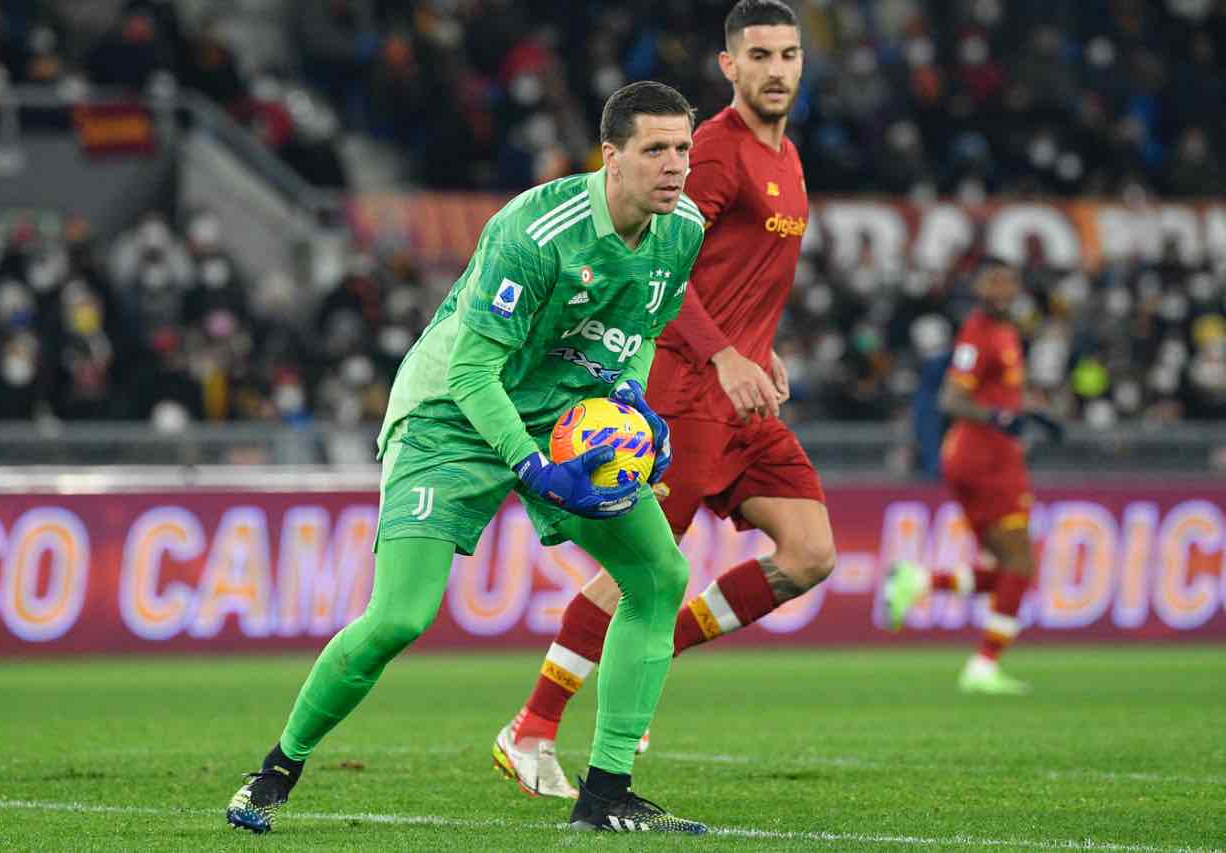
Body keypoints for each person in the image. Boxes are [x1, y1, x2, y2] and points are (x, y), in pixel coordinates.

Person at [224, 81, 709, 835]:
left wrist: (632, 407)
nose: (674, 165)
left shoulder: (683, 230)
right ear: (611, 157)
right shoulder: (536, 231)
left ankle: (606, 795)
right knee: (399, 617)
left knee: (660, 575)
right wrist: (532, 467)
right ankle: (277, 768)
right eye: (655, 149)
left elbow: (640, 332)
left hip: (561, 412)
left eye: (683, 147)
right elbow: (472, 372)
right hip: (450, 416)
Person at [493, 0, 836, 799]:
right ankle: (531, 726)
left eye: (788, 55)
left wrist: (758, 344)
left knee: (810, 553)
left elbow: (735, 273)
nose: (776, 70)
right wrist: (722, 351)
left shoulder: (787, 156)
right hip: (684, 388)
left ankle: (655, 650)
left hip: (744, 394)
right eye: (760, 56)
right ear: (729, 65)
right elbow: (662, 270)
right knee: (638, 569)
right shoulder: (710, 151)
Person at [881, 259, 1056, 695]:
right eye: (992, 282)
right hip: (984, 460)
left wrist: (1031, 413)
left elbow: (1001, 393)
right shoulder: (977, 334)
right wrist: (1000, 418)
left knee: (1010, 569)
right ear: (978, 288)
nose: (1001, 290)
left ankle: (919, 582)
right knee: (1020, 564)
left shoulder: (1007, 331)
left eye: (1007, 282)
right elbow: (952, 400)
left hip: (993, 457)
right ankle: (983, 665)